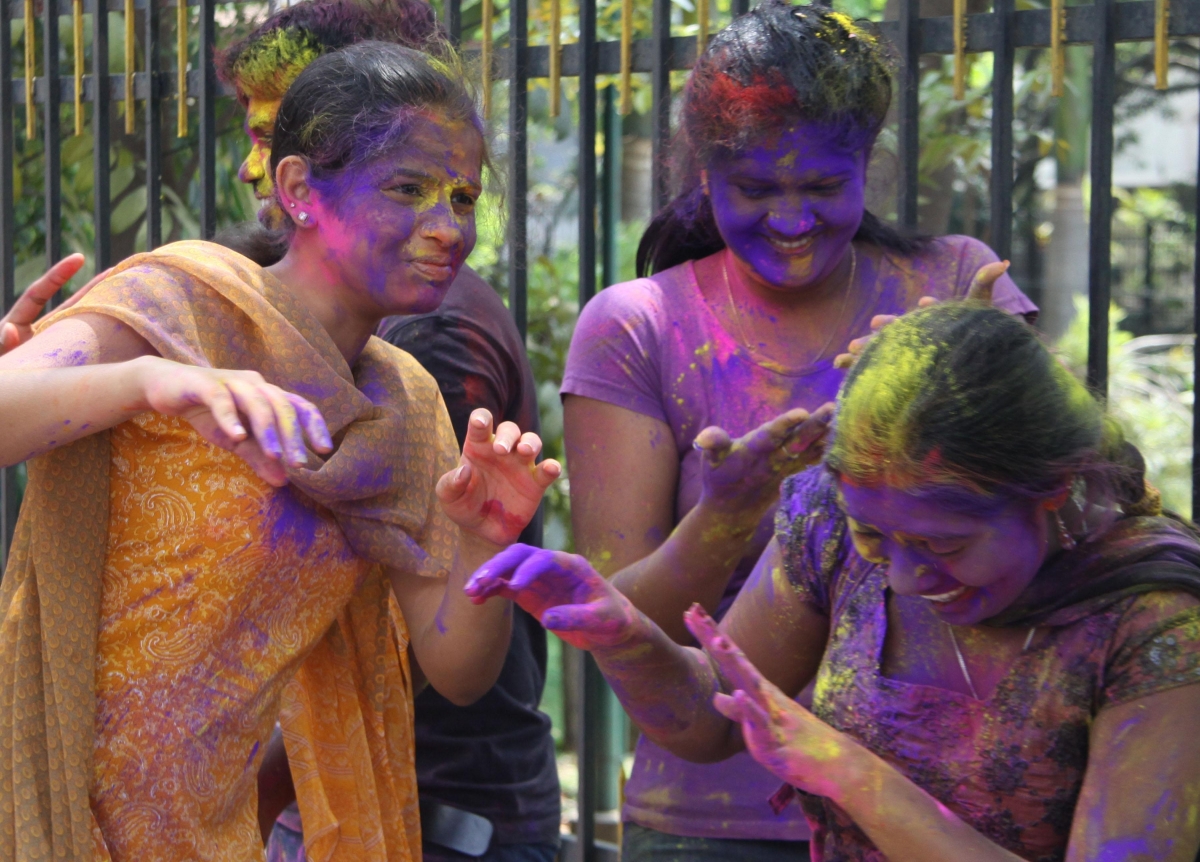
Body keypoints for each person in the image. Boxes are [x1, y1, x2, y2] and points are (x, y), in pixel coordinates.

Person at [0, 41, 559, 861]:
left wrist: (485, 542)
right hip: (36, 804)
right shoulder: (183, 298)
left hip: (208, 839)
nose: (449, 228)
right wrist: (153, 381)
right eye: (409, 189)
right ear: (298, 190)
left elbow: (458, 669)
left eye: (464, 197)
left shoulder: (402, 408)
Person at [471, 299, 1200, 862]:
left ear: (1050, 491)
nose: (908, 577)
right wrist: (624, 635)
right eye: (875, 535)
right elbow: (714, 719)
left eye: (943, 542)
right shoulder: (828, 519)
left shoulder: (1155, 623)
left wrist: (855, 776)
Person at [559, 2, 1036, 857]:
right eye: (755, 189)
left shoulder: (956, 280)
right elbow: (621, 625)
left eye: (821, 187)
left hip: (937, 817)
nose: (790, 220)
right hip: (712, 818)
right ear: (703, 177)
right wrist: (729, 513)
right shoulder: (638, 326)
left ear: (869, 167)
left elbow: (1064, 514)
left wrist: (955, 378)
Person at [219, 5, 561, 859]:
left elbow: (437, 655)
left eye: (271, 131)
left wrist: (236, 808)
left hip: (432, 811)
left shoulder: (418, 350)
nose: (248, 166)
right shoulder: (210, 307)